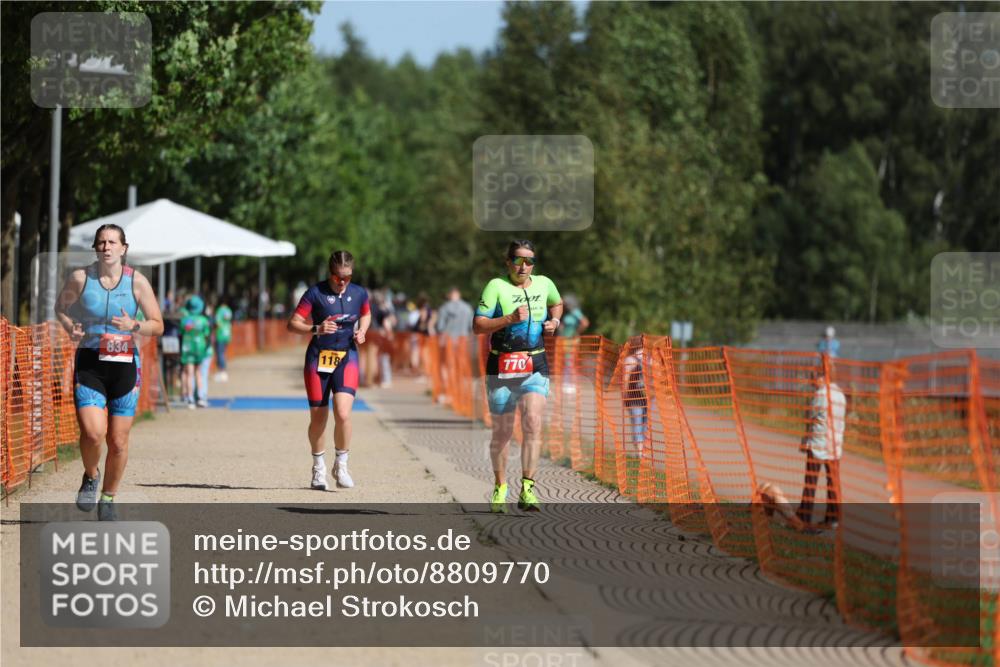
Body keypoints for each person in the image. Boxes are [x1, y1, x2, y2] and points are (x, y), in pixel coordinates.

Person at [55, 223, 164, 521]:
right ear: (95, 248)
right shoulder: (79, 278)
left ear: (123, 248)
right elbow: (61, 308)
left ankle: (108, 497)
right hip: (91, 362)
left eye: (112, 242)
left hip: (126, 366)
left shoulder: (137, 283)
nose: (106, 247)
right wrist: (69, 325)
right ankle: (91, 475)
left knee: (117, 441)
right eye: (101, 242)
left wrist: (135, 326)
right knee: (92, 433)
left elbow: (158, 324)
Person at [473, 240, 563, 512]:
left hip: (534, 362)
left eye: (529, 261)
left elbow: (557, 304)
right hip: (501, 364)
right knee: (502, 433)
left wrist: (555, 321)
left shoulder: (544, 284)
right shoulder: (496, 286)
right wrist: (509, 319)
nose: (524, 266)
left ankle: (528, 488)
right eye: (518, 260)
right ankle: (500, 487)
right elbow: (478, 325)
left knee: (533, 421)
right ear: (508, 261)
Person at [287, 250, 371, 491]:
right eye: (337, 277)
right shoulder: (315, 293)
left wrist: (362, 330)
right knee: (319, 418)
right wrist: (316, 328)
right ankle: (318, 467)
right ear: (330, 273)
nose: (342, 281)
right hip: (318, 359)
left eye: (347, 277)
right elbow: (292, 324)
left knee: (343, 414)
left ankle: (341, 465)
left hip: (347, 356)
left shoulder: (359, 293)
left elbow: (366, 313)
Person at [797, 363, 847, 527]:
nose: (812, 381)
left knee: (810, 483)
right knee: (833, 483)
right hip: (835, 445)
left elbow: (810, 416)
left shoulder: (821, 394)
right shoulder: (840, 394)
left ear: (822, 377)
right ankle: (833, 518)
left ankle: (804, 517)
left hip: (819, 445)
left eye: (814, 377)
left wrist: (805, 442)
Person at [431, 287, 474, 403]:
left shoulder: (444, 308)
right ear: (459, 294)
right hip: (462, 341)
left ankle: (447, 391)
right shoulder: (467, 308)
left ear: (450, 295)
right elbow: (471, 327)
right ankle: (458, 392)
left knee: (446, 366)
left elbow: (440, 327)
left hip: (447, 341)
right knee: (460, 366)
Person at [180, 295, 212, 408]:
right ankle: (201, 398)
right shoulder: (204, 320)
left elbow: (181, 333)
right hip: (199, 349)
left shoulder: (185, 320)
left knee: (189, 374)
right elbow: (207, 335)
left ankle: (190, 400)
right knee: (199, 373)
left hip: (187, 348)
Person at [213, 298, 233, 382]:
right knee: (223, 353)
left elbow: (217, 322)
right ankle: (223, 371)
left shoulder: (219, 311)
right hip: (227, 334)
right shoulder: (228, 311)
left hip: (220, 334)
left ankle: (222, 371)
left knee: (220, 353)